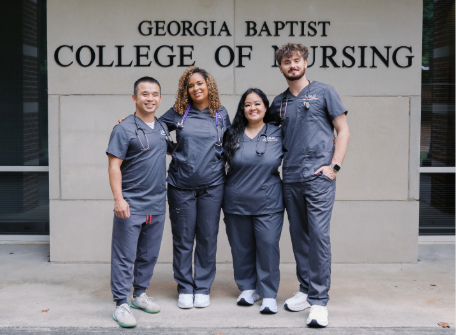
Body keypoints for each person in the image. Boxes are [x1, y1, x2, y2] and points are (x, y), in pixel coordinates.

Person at [270, 43, 350, 327]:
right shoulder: (278, 103)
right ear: (280, 67)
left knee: (318, 237)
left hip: (318, 178)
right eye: (286, 62)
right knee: (299, 237)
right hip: (290, 178)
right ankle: (305, 289)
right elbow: (257, 130)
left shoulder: (324, 92)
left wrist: (334, 166)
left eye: (296, 60)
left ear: (305, 62)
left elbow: (343, 130)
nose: (292, 65)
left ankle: (319, 302)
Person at [159, 66, 231, 309]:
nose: (196, 88)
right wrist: (174, 150)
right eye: (190, 85)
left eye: (200, 83)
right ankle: (185, 287)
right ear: (185, 90)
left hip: (213, 186)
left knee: (208, 237)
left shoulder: (221, 114)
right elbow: (154, 131)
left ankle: (202, 287)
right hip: (181, 186)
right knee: (183, 238)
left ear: (209, 85)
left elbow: (230, 144)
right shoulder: (178, 113)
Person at [106, 76, 172, 328]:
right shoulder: (122, 128)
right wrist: (119, 199)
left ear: (160, 99)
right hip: (131, 203)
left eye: (154, 94)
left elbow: (165, 149)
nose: (150, 98)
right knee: (124, 256)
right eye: (144, 94)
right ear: (135, 98)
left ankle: (139, 294)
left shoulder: (163, 127)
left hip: (156, 202)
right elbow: (114, 165)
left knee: (148, 254)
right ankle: (121, 304)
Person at [222, 88, 284, 314]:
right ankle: (248, 288)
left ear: (266, 107)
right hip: (236, 201)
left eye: (257, 104)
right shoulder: (231, 133)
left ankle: (268, 294)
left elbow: (302, 146)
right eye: (247, 104)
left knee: (268, 246)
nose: (252, 108)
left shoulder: (279, 132)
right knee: (241, 247)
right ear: (242, 109)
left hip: (269, 202)